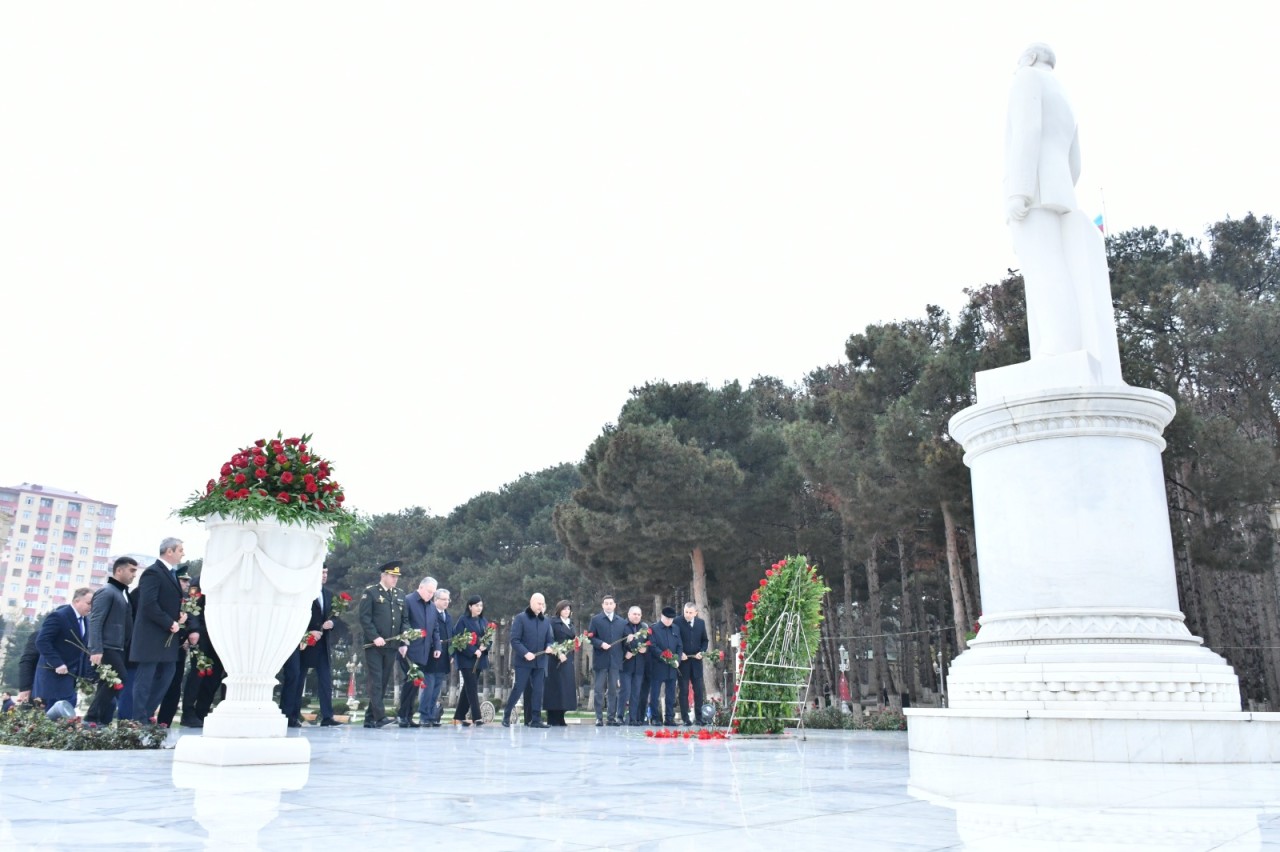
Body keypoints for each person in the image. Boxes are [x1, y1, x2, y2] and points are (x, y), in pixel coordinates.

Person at [1003, 42, 1122, 385]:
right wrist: (1061, 186)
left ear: (1027, 58)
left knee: (1043, 267)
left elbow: (1027, 131)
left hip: (1033, 187)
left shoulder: (1026, 78)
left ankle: (1057, 346)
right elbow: (1076, 160)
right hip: (1058, 187)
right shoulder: (1064, 95)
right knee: (1056, 266)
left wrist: (1019, 190)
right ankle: (1060, 345)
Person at [129, 537, 189, 723]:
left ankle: (147, 714)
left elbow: (167, 602)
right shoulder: (153, 572)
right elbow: (148, 604)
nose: (183, 554)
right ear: (169, 551)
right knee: (145, 678)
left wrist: (179, 616)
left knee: (168, 674)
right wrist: (169, 622)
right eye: (180, 550)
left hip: (167, 637)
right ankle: (139, 719)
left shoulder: (170, 573)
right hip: (151, 636)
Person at [281, 566, 342, 727]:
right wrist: (308, 632)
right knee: (297, 679)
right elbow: (296, 617)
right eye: (321, 572)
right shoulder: (303, 593)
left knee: (325, 681)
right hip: (303, 645)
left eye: (326, 573)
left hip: (322, 644)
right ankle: (290, 716)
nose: (324, 576)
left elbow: (335, 616)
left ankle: (327, 716)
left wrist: (332, 622)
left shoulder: (328, 594)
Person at [85, 556, 138, 725]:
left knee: (107, 682)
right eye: (131, 570)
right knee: (118, 677)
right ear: (119, 570)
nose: (134, 575)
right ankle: (91, 718)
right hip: (106, 647)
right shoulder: (107, 591)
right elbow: (95, 620)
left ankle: (99, 720)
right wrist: (96, 649)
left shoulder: (121, 593)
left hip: (118, 647)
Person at [358, 560, 408, 728]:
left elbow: (404, 620)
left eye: (397, 577)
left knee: (384, 681)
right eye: (392, 576)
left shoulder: (400, 594)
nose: (395, 580)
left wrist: (403, 639)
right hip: (374, 646)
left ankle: (369, 718)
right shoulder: (371, 593)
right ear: (383, 575)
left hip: (391, 646)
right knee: (376, 681)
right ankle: (380, 717)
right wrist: (374, 637)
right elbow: (365, 618)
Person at [33, 587, 95, 709]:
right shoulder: (59, 616)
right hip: (54, 678)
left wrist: (86, 674)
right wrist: (57, 663)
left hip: (71, 679)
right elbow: (42, 641)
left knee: (66, 719)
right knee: (52, 717)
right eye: (89, 603)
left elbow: (82, 649)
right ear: (77, 601)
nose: (91, 607)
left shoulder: (86, 621)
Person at [180, 577, 226, 728]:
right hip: (202, 632)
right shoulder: (201, 580)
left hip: (220, 634)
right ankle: (188, 712)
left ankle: (202, 711)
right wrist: (193, 629)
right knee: (198, 673)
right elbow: (192, 606)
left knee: (214, 675)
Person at [157, 564, 200, 727]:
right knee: (160, 683)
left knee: (174, 686)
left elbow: (192, 618)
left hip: (180, 647)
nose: (187, 584)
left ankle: (164, 722)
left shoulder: (188, 599)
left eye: (187, 581)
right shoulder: (169, 597)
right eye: (183, 580)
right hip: (163, 646)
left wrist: (190, 634)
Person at [503, 592, 553, 728]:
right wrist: (525, 653)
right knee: (518, 689)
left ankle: (535, 719)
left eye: (543, 604)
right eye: (539, 603)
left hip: (540, 662)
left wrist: (549, 647)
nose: (541, 606)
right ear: (532, 603)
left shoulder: (546, 621)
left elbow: (550, 639)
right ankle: (506, 715)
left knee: (538, 690)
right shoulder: (520, 618)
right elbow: (515, 640)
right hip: (524, 662)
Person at [398, 575, 438, 727]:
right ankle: (402, 715)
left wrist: (437, 647)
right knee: (409, 682)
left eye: (433, 592)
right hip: (408, 649)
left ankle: (408, 716)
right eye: (428, 591)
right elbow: (404, 623)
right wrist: (403, 643)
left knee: (416, 683)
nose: (430, 595)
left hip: (424, 651)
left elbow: (435, 629)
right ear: (421, 587)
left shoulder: (432, 606)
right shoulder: (408, 600)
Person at [587, 595, 628, 726]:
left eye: (611, 603)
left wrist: (630, 642)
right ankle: (599, 717)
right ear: (602, 605)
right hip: (600, 660)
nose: (609, 605)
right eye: (606, 603)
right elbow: (590, 637)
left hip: (615, 661)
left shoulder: (621, 622)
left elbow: (624, 641)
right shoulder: (596, 620)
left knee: (613, 690)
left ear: (615, 605)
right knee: (598, 689)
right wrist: (600, 644)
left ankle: (611, 717)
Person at [451, 595, 489, 726]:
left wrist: (484, 647)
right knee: (472, 687)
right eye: (477, 605)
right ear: (470, 606)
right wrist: (473, 650)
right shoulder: (463, 620)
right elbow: (458, 639)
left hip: (479, 659)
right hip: (466, 660)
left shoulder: (483, 621)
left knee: (468, 687)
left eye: (481, 605)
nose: (479, 608)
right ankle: (476, 717)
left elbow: (488, 638)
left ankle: (459, 715)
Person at [419, 588, 452, 727]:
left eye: (448, 600)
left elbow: (451, 636)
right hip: (431, 656)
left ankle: (432, 715)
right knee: (429, 687)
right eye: (443, 599)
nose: (446, 602)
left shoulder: (447, 616)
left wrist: (451, 654)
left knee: (437, 687)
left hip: (444, 657)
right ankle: (424, 715)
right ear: (435, 600)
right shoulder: (430, 614)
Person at [647, 606, 683, 726]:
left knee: (671, 695)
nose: (669, 621)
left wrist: (677, 659)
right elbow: (652, 646)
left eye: (671, 619)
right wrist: (664, 656)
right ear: (662, 616)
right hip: (658, 666)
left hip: (672, 667)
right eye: (667, 618)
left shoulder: (676, 629)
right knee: (655, 694)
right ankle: (655, 718)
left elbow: (679, 645)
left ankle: (669, 718)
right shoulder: (653, 628)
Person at [543, 600, 577, 726]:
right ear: (559, 610)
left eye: (568, 609)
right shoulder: (553, 622)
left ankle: (561, 716)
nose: (566, 611)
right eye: (564, 609)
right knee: (555, 689)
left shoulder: (571, 623)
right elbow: (550, 640)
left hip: (567, 660)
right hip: (555, 660)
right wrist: (558, 653)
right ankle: (552, 717)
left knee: (565, 689)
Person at [676, 601, 709, 726]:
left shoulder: (701, 623)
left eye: (690, 613)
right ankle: (685, 718)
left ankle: (699, 718)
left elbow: (705, 641)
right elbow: (675, 640)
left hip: (696, 662)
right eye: (686, 612)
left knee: (699, 691)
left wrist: (702, 651)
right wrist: (680, 653)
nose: (688, 615)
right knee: (683, 690)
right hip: (683, 662)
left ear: (696, 613)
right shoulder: (677, 622)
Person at [620, 606, 650, 726]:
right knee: (625, 692)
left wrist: (645, 648)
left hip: (639, 666)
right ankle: (619, 717)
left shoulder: (644, 627)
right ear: (629, 614)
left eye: (638, 614)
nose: (636, 616)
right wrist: (624, 653)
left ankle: (633, 718)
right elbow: (618, 645)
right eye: (634, 614)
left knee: (636, 693)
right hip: (626, 665)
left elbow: (649, 643)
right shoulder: (622, 626)